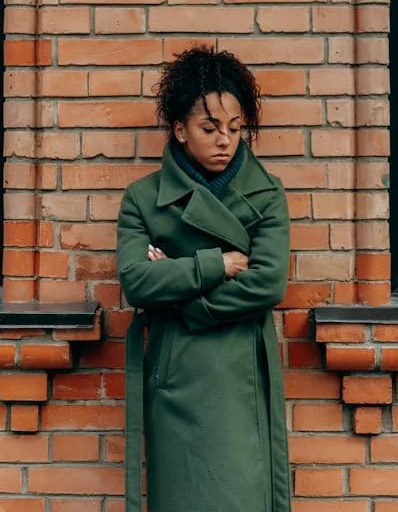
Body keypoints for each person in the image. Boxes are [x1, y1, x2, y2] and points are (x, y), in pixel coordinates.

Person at [118, 46, 291, 512]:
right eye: (209, 128)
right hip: (177, 377)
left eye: (234, 129)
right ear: (180, 130)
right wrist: (217, 265)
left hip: (240, 375)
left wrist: (180, 292)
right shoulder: (143, 198)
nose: (224, 141)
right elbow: (135, 281)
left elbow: (270, 283)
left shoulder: (266, 192)